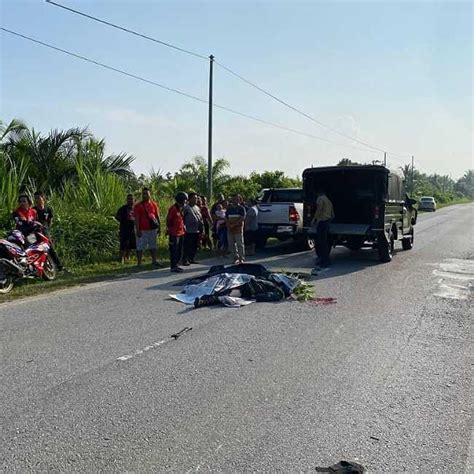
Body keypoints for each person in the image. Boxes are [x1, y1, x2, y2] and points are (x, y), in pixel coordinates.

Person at [33, 191, 64, 271]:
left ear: (43, 198)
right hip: (36, 232)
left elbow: (50, 220)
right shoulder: (33, 210)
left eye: (38, 197)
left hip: (46, 231)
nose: (37, 200)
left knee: (51, 249)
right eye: (35, 198)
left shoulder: (48, 209)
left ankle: (59, 267)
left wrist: (47, 230)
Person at [133, 187, 160, 266]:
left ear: (150, 195)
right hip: (142, 229)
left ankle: (154, 261)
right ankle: (139, 263)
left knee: (153, 245)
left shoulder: (154, 204)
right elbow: (136, 218)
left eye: (146, 194)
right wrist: (137, 230)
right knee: (140, 246)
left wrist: (159, 227)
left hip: (152, 228)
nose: (145, 195)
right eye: (143, 194)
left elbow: (157, 216)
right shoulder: (138, 206)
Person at [310, 189, 334, 268]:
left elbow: (319, 209)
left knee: (320, 241)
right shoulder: (328, 200)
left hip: (322, 221)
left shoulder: (320, 199)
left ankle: (323, 260)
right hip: (327, 221)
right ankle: (326, 259)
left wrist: (314, 219)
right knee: (324, 241)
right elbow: (332, 213)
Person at [166, 192, 187, 273]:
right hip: (174, 233)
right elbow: (168, 220)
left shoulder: (181, 208)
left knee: (179, 250)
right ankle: (173, 266)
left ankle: (176, 265)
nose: (185, 202)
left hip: (181, 232)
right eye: (185, 200)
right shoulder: (173, 209)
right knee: (174, 250)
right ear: (181, 200)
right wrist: (171, 229)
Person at [182, 192, 203, 266]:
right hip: (188, 230)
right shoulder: (186, 208)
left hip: (196, 230)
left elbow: (200, 218)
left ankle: (191, 258)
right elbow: (182, 218)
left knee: (194, 246)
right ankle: (185, 259)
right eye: (194, 198)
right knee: (188, 245)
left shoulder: (197, 208)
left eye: (196, 198)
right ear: (189, 199)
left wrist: (201, 227)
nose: (196, 200)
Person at [115, 193, 136, 264]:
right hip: (124, 229)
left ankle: (127, 256)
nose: (130, 200)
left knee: (130, 244)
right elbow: (117, 216)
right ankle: (121, 259)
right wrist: (123, 220)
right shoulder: (123, 208)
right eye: (128, 199)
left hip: (132, 229)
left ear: (134, 200)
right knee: (123, 244)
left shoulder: (136, 208)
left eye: (131, 199)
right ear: (127, 200)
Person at [226, 194, 246, 264]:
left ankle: (241, 258)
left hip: (238, 228)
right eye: (234, 199)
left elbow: (242, 218)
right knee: (231, 244)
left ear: (239, 200)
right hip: (230, 228)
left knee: (239, 243)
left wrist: (234, 224)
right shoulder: (229, 208)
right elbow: (226, 217)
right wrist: (229, 224)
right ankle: (235, 257)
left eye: (237, 199)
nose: (235, 200)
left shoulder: (241, 208)